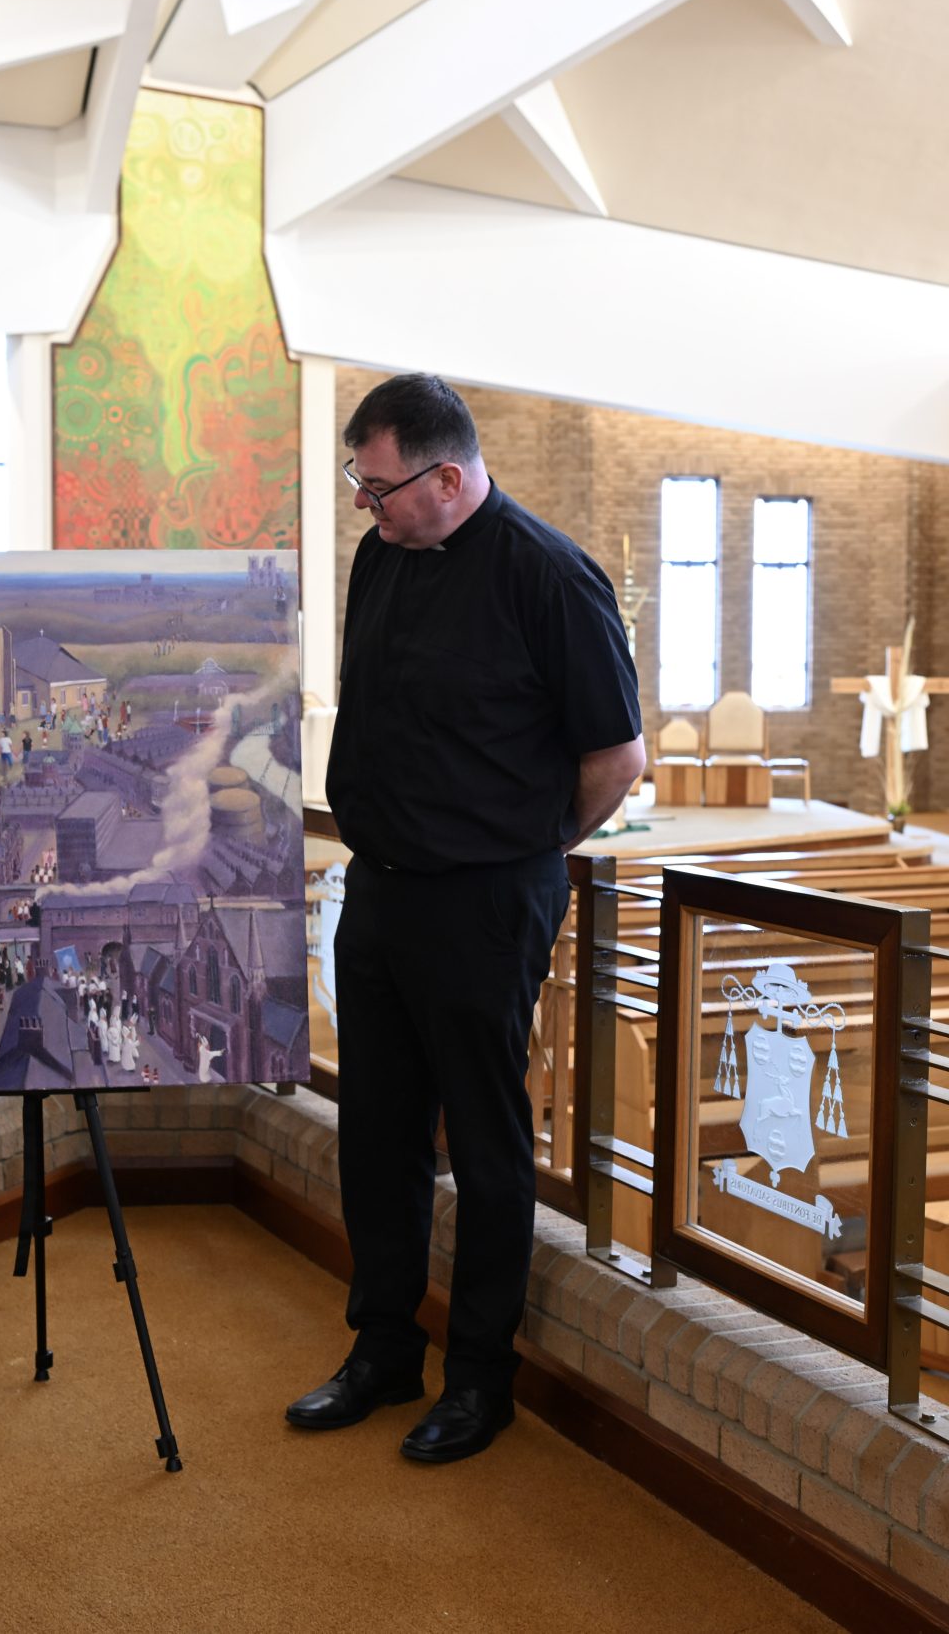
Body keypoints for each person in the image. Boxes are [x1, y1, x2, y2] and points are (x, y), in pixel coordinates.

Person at [290, 374, 644, 1464]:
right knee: (378, 1130)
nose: (364, 503)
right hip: (382, 886)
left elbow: (615, 758)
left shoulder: (548, 575)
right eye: (358, 480)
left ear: (448, 478)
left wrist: (523, 853)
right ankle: (385, 1346)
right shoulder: (382, 555)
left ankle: (480, 1377)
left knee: (488, 1150)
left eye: (378, 484)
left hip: (488, 896)